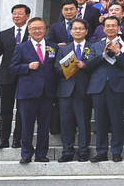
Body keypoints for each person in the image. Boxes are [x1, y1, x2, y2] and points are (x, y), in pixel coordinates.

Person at [9, 17, 57, 164]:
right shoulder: (21, 47)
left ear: (45, 29)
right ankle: (26, 153)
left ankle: (41, 153)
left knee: (44, 126)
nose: (37, 31)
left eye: (40, 28)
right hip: (27, 93)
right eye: (34, 28)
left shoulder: (53, 46)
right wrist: (27, 67)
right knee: (27, 125)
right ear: (29, 30)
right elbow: (13, 67)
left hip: (47, 93)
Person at [85, 16, 124, 162]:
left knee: (117, 120)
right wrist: (103, 54)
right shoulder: (96, 45)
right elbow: (89, 64)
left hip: (117, 86)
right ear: (103, 29)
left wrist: (117, 52)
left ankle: (117, 152)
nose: (110, 28)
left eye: (113, 26)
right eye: (108, 26)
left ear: (119, 28)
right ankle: (101, 152)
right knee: (100, 121)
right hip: (98, 86)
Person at [0, 4, 29, 150]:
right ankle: (3, 139)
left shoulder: (32, 32)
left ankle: (18, 140)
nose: (16, 16)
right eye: (14, 13)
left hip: (25, 76)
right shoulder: (4, 33)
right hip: (6, 76)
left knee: (22, 110)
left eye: (20, 13)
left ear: (27, 16)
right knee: (5, 110)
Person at [53, 18, 93, 162]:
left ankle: (83, 151)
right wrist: (68, 68)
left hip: (84, 90)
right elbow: (56, 68)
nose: (78, 31)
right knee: (66, 123)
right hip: (65, 90)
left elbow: (95, 65)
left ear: (86, 31)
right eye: (75, 28)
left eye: (81, 28)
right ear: (70, 31)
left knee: (83, 122)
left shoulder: (92, 47)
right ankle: (67, 151)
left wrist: (85, 65)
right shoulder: (63, 49)